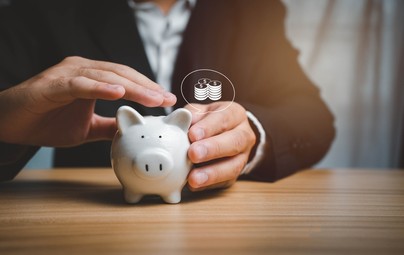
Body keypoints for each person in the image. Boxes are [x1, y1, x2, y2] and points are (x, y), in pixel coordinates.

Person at [0, 0, 335, 190]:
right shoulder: (41, 9)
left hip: (219, 224)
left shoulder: (251, 10)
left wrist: (251, 130)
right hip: (95, 219)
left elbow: (312, 116)